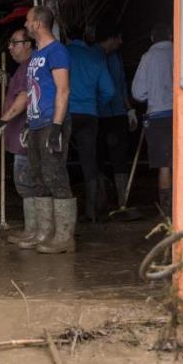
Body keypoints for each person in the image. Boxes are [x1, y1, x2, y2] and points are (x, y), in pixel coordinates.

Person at [21, 5, 76, 253]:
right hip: (35, 122)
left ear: (38, 24)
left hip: (51, 122)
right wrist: (27, 122)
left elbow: (63, 90)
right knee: (39, 178)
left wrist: (57, 126)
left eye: (27, 20)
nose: (25, 25)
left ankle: (64, 238)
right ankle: (44, 233)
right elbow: (33, 90)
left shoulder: (57, 51)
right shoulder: (35, 55)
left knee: (55, 175)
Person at [0, 28, 38, 244]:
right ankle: (33, 229)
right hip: (19, 137)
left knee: (27, 183)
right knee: (25, 183)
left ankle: (34, 231)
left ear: (28, 44)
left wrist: (3, 120)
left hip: (25, 137)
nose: (10, 47)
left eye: (14, 42)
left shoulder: (30, 67)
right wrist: (8, 80)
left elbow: (24, 98)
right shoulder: (22, 69)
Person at [66, 26, 114, 222]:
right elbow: (109, 91)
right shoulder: (96, 58)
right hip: (89, 115)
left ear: (67, 38)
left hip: (66, 113)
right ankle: (91, 213)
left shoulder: (63, 54)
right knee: (89, 162)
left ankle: (65, 215)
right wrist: (95, 105)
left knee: (59, 161)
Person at [93, 27, 138, 211]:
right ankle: (102, 201)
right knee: (99, 158)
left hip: (118, 113)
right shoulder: (93, 55)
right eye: (118, 38)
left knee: (119, 158)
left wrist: (130, 110)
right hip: (98, 115)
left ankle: (122, 202)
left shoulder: (116, 57)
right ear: (110, 37)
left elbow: (121, 86)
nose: (121, 42)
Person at [132, 22, 173, 218]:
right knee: (182, 163)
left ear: (152, 38)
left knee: (164, 165)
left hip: (157, 117)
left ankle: (166, 213)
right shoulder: (180, 52)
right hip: (181, 115)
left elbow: (138, 93)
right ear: (171, 35)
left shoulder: (148, 58)